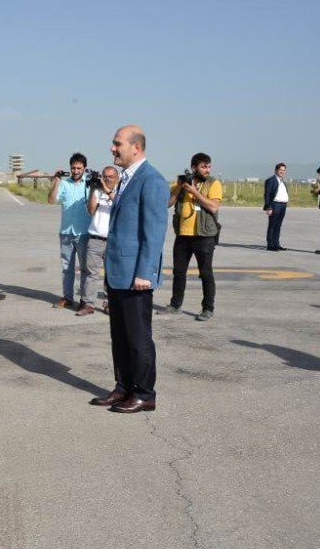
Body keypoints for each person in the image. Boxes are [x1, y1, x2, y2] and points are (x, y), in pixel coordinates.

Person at [90, 125, 168, 414]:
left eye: (117, 143)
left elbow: (155, 232)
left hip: (137, 275)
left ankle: (145, 393)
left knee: (138, 338)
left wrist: (145, 273)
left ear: (136, 147)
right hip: (118, 272)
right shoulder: (125, 178)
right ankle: (123, 387)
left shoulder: (152, 180)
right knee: (120, 336)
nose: (112, 149)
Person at [161, 153, 222, 322]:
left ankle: (208, 308)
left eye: (209, 166)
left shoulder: (213, 183)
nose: (207, 170)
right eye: (204, 166)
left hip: (204, 236)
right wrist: (181, 187)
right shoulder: (181, 182)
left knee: (206, 273)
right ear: (194, 167)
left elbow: (213, 207)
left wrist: (194, 192)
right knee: (179, 273)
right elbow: (168, 203)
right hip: (183, 235)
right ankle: (175, 305)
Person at [47, 153, 91, 309]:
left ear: (84, 168)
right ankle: (67, 297)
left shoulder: (90, 184)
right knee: (67, 268)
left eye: (79, 168)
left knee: (86, 269)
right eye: (73, 168)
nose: (76, 170)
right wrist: (56, 180)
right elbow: (51, 200)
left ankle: (85, 301)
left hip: (84, 233)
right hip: (66, 232)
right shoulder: (64, 184)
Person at [81, 166, 119, 315]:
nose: (108, 179)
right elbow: (91, 211)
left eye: (110, 176)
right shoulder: (97, 191)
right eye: (105, 176)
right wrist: (93, 190)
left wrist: (105, 188)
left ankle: (109, 304)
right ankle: (88, 304)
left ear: (117, 178)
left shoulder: (121, 191)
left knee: (111, 274)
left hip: (113, 240)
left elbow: (119, 205)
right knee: (91, 274)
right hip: (95, 239)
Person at [263, 163, 289, 251]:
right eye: (281, 170)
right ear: (276, 170)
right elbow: (267, 195)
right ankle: (270, 244)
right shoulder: (271, 180)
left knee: (278, 225)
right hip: (275, 205)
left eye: (284, 170)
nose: (282, 172)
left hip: (283, 205)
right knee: (272, 225)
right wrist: (268, 207)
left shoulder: (282, 181)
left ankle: (276, 244)